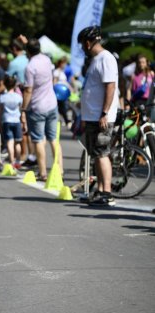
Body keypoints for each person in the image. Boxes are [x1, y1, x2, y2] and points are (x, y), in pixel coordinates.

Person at [78, 26, 119, 207]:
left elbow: (110, 86)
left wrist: (104, 112)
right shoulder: (96, 59)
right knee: (96, 154)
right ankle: (101, 189)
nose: (82, 48)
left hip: (101, 116)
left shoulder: (106, 58)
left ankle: (107, 193)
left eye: (82, 44)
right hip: (93, 115)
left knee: (102, 153)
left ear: (88, 43)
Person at [19, 36, 62, 181]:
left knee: (38, 140)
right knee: (53, 139)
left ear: (27, 51)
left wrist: (23, 109)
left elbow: (28, 90)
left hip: (37, 107)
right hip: (52, 104)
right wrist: (27, 43)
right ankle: (59, 169)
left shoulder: (30, 67)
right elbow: (33, 49)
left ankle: (43, 172)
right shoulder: (46, 59)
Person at [0, 75, 23, 168]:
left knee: (9, 142)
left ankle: (12, 161)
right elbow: (20, 109)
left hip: (6, 121)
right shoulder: (18, 97)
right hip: (17, 121)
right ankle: (18, 161)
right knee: (18, 142)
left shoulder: (2, 97)